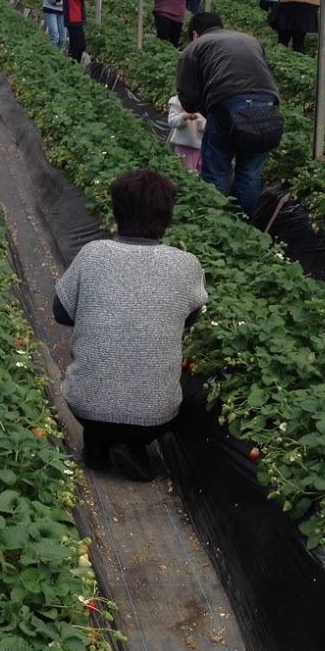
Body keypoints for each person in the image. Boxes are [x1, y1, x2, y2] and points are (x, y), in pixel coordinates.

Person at [53, 169, 207, 481]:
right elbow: (191, 318)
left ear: (116, 212)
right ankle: (134, 447)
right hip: (156, 415)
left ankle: (98, 443)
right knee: (147, 405)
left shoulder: (93, 254)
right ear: (167, 219)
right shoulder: (186, 264)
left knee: (98, 407)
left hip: (85, 403)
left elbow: (61, 313)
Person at [176, 12, 282, 221]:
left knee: (216, 169)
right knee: (250, 172)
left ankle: (212, 222)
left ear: (195, 34)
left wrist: (203, 114)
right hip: (268, 108)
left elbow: (187, 95)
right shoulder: (249, 40)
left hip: (227, 105)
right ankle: (241, 226)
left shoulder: (194, 47)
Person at [63, 0, 96, 64]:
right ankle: (71, 68)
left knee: (79, 46)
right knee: (77, 47)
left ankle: (72, 67)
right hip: (73, 18)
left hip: (75, 18)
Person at [167, 96, 204, 173]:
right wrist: (184, 117)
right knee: (183, 175)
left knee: (199, 179)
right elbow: (172, 121)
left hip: (203, 149)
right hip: (185, 147)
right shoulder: (179, 100)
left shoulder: (208, 100)